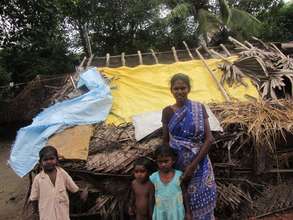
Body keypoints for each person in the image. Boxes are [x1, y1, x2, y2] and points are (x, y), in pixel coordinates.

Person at [162, 73, 216, 220]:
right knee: (182, 203)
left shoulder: (199, 108)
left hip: (201, 163)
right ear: (171, 90)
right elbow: (165, 141)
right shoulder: (167, 111)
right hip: (178, 165)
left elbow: (209, 139)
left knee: (203, 198)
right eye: (176, 88)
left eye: (183, 88)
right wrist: (169, 167)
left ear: (189, 89)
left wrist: (192, 166)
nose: (179, 92)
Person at [29, 145, 88, 220]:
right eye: (45, 160)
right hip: (47, 216)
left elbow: (74, 188)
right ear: (40, 162)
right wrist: (35, 212)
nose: (49, 162)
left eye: (52, 158)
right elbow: (34, 198)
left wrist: (81, 196)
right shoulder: (38, 179)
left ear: (57, 160)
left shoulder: (63, 174)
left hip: (62, 214)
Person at [150, 145, 191, 220]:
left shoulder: (179, 176)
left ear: (173, 161)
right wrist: (151, 214)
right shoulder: (154, 178)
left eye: (166, 161)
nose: (163, 164)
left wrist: (188, 212)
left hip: (176, 213)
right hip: (161, 213)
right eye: (160, 162)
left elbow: (184, 194)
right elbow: (152, 197)